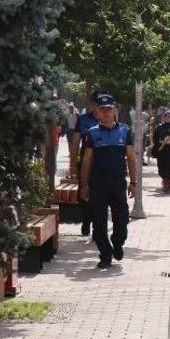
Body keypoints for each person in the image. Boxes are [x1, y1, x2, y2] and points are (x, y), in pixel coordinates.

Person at [79, 94, 137, 270]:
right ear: (97, 111)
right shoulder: (92, 133)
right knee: (99, 222)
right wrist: (84, 185)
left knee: (122, 218)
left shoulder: (125, 132)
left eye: (109, 109)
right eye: (102, 109)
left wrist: (133, 182)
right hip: (98, 184)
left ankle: (117, 243)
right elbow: (87, 160)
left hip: (118, 182)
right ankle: (105, 255)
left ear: (115, 111)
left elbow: (131, 158)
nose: (106, 113)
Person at [71, 92, 101, 236]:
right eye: (94, 103)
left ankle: (96, 225)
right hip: (85, 160)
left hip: (102, 161)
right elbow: (76, 142)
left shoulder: (107, 118)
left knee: (100, 193)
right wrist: (72, 163)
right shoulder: (83, 120)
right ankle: (86, 220)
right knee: (83, 191)